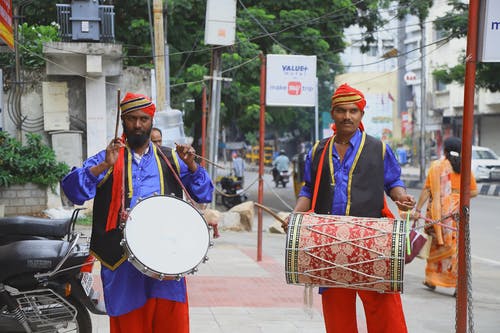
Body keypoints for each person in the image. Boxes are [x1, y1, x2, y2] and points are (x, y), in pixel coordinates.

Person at [61, 92, 213, 333]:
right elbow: (73, 191)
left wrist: (193, 165)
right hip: (121, 262)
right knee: (129, 325)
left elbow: (205, 193)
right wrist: (104, 166)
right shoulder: (108, 157)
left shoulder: (171, 157)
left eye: (143, 118)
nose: (138, 124)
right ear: (123, 121)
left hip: (166, 256)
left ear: (151, 121)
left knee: (169, 324)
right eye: (132, 119)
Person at [286, 83, 415, 333]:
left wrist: (401, 197)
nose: (348, 116)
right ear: (333, 113)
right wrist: (295, 217)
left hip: (372, 243)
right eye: (342, 110)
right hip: (329, 243)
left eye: (353, 111)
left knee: (385, 315)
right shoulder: (318, 150)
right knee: (338, 318)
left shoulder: (379, 148)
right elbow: (309, 189)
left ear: (361, 114)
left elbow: (393, 182)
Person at [412, 136, 477, 295]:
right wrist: (456, 197)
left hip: (438, 214)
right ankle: (456, 284)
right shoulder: (465, 167)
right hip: (457, 214)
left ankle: (432, 279)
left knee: (436, 245)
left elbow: (427, 190)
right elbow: (474, 192)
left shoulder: (436, 167)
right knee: (456, 249)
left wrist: (418, 210)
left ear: (445, 150)